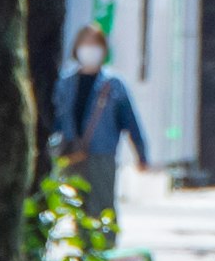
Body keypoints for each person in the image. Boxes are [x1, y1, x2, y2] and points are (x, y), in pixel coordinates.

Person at [50, 23, 150, 215]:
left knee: (102, 206)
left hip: (101, 154)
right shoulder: (65, 81)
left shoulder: (113, 84)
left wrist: (141, 154)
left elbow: (130, 121)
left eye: (95, 44)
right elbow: (57, 120)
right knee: (75, 207)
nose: (89, 49)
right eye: (85, 43)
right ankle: (84, 243)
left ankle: (105, 244)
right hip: (70, 153)